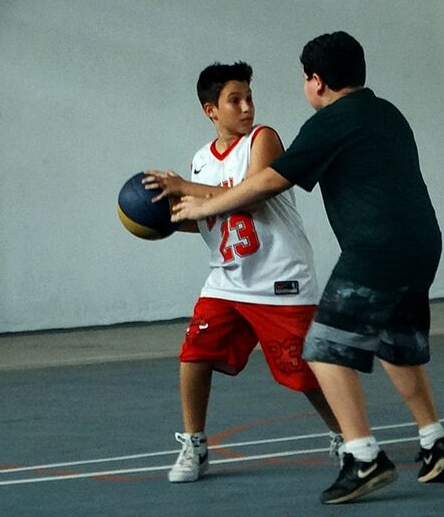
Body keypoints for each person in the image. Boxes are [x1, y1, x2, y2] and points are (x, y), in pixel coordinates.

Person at [167, 33, 444, 504]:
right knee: (397, 346)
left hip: (375, 250)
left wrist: (197, 200)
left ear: (316, 81)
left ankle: (363, 456)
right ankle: (435, 442)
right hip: (422, 244)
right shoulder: (388, 112)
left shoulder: (331, 122)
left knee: (323, 351)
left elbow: (266, 182)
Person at [144, 61, 342, 483]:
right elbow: (205, 215)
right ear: (210, 109)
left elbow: (248, 199)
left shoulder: (262, 140)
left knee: (302, 374)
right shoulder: (200, 161)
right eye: (235, 100)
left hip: (279, 279)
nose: (247, 107)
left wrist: (185, 188)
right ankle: (195, 445)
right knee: (192, 354)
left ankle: (347, 435)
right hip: (227, 279)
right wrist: (157, 219)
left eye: (249, 97)